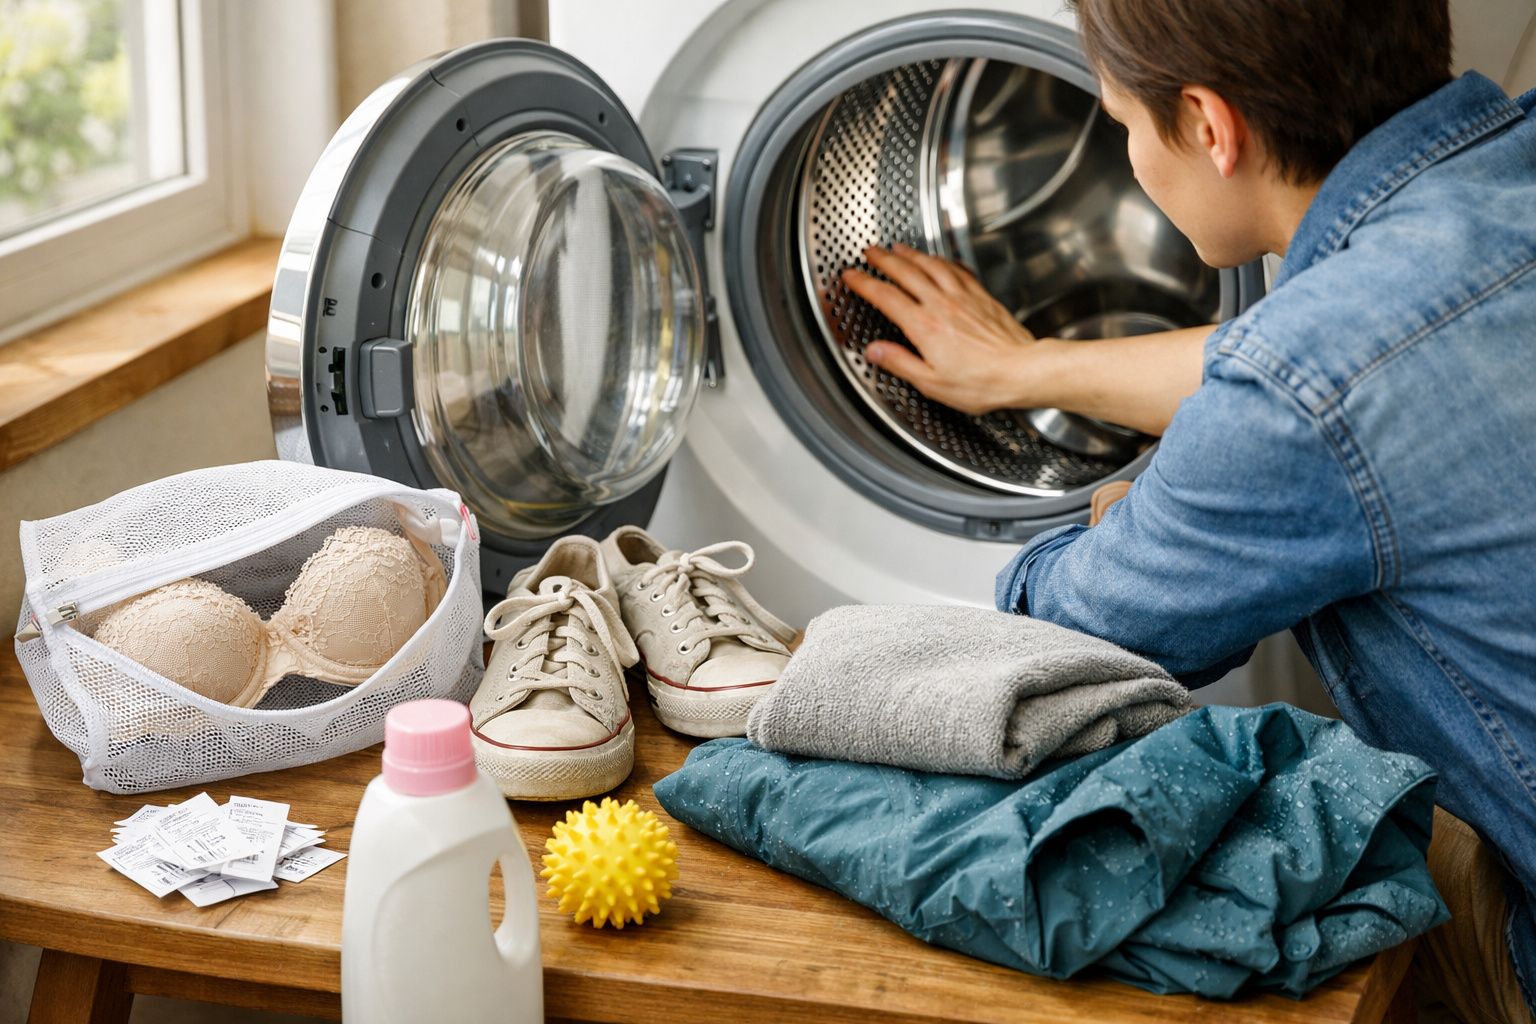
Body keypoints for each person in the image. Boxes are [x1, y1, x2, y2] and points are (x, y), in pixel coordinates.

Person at [842, 1, 1536, 1020]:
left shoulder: (1302, 391)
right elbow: (1374, 361)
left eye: (1121, 120)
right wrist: (1029, 369)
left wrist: (1137, 521)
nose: (1126, 154)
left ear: (1211, 128)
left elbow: (1061, 640)